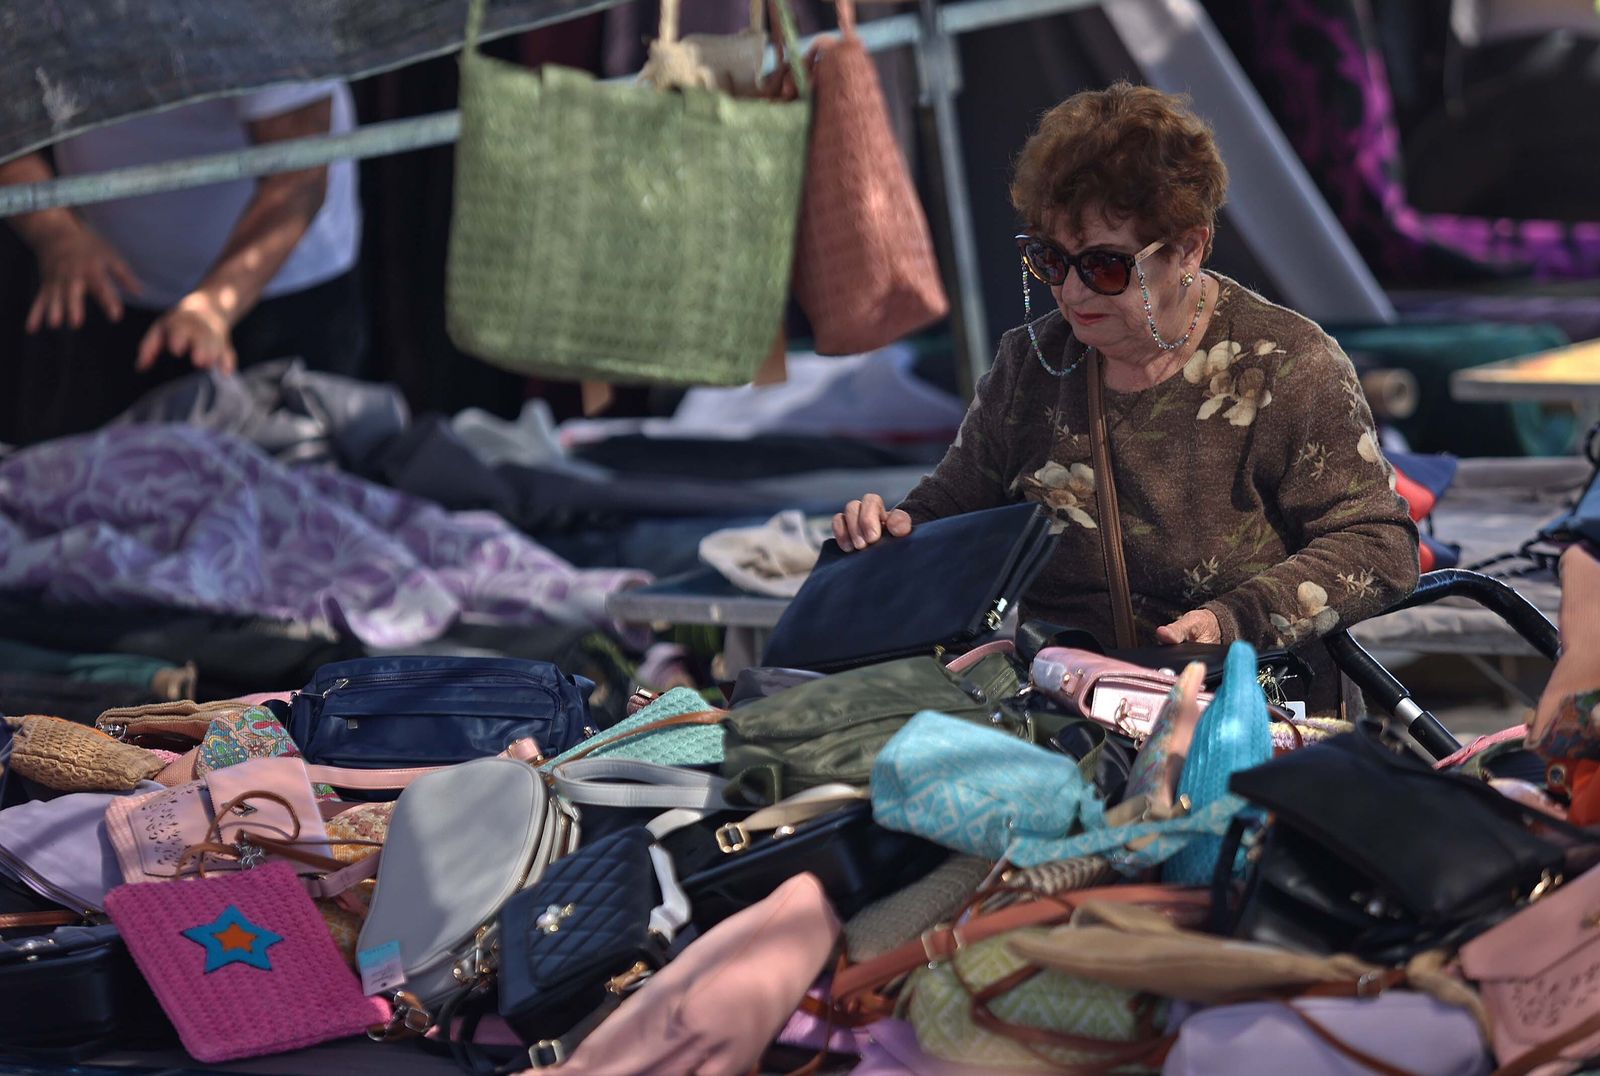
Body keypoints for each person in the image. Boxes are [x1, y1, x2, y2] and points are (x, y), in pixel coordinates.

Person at [833, 82, 1419, 710]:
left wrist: (1233, 620)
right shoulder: (1030, 364)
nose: (1074, 295)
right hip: (1066, 709)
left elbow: (1378, 543)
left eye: (1106, 267)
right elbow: (955, 504)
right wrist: (893, 529)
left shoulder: (1286, 364)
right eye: (1050, 260)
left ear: (1188, 249)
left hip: (1243, 707)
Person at [0, 81, 364, 444]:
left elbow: (299, 180)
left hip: (277, 293)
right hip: (109, 288)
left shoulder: (260, 26)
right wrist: (57, 234)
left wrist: (214, 306)